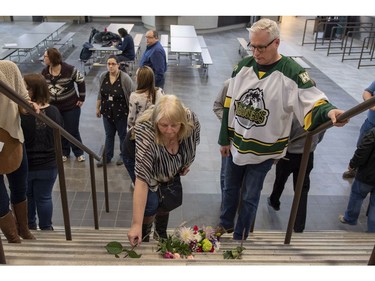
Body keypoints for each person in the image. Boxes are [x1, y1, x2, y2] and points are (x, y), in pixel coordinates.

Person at [217, 18, 348, 241]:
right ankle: (225, 225)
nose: (255, 52)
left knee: (250, 196)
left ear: (276, 43)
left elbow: (312, 99)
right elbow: (229, 105)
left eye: (261, 47)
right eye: (253, 46)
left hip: (263, 151)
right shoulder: (243, 67)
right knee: (230, 189)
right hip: (236, 144)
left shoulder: (292, 73)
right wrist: (224, 139)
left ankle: (241, 235)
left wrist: (329, 112)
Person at [127, 95, 200, 246]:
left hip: (167, 156)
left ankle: (160, 232)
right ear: (156, 123)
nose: (169, 131)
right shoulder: (146, 132)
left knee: (166, 194)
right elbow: (141, 182)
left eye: (174, 125)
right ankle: (144, 233)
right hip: (135, 152)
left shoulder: (191, 120)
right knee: (151, 201)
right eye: (164, 125)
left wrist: (184, 163)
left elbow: (192, 143)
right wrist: (136, 225)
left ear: (182, 122)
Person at [267, 114, 325, 233]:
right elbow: (321, 135)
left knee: (280, 179)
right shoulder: (320, 113)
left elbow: (283, 134)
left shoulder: (294, 113)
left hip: (289, 154)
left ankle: (274, 201)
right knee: (302, 190)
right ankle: (299, 225)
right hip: (308, 154)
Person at [0, 60, 37, 243]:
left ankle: (23, 229)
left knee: (20, 187)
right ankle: (12, 236)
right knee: (0, 198)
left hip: (13, 137)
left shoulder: (8, 68)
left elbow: (22, 100)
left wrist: (29, 106)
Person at [21, 73, 63, 231]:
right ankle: (46, 228)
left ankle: (29, 227)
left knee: (27, 198)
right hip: (49, 164)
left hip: (26, 165)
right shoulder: (53, 112)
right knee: (44, 198)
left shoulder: (22, 113)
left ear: (31, 91)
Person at [41, 47, 86, 163]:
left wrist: (81, 97)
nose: (43, 58)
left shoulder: (69, 69)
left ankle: (79, 152)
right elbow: (42, 87)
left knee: (72, 130)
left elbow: (81, 81)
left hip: (70, 106)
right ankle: (64, 152)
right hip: (54, 108)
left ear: (51, 58)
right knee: (59, 130)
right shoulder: (44, 72)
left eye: (45, 56)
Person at [123, 65, 164, 184]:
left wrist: (129, 132)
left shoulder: (135, 96)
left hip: (141, 134)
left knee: (140, 158)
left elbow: (131, 118)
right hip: (156, 131)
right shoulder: (159, 92)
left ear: (141, 79)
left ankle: (140, 182)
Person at [96, 55, 135, 167]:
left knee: (122, 135)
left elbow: (133, 94)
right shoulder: (103, 76)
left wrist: (132, 112)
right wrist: (97, 108)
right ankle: (107, 156)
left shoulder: (125, 78)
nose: (111, 66)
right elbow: (100, 93)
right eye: (109, 64)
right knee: (109, 134)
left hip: (121, 112)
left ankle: (123, 155)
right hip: (107, 111)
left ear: (118, 65)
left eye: (113, 64)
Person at [339, 127, 375, 232]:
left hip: (367, 174)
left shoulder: (373, 132)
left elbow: (363, 150)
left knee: (357, 195)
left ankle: (350, 218)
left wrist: (353, 164)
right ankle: (372, 233)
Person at [342, 80, 375, 179]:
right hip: (370, 122)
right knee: (361, 146)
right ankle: (354, 169)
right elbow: (367, 92)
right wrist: (371, 104)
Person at [213, 79, 230, 209]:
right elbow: (217, 105)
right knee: (226, 172)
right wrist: (227, 123)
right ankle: (226, 202)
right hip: (230, 139)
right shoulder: (229, 84)